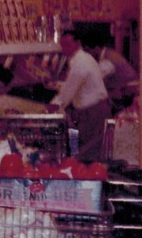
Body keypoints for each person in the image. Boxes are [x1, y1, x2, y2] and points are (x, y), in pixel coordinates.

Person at [47, 30, 111, 162]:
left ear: (77, 44)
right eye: (62, 45)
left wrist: (53, 107)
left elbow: (68, 91)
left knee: (88, 153)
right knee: (90, 150)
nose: (64, 48)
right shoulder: (82, 59)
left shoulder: (80, 63)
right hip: (93, 110)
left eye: (67, 44)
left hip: (93, 112)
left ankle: (89, 177)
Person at [81, 31, 139, 113]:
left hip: (128, 96)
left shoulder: (108, 60)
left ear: (96, 48)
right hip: (125, 94)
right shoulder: (108, 54)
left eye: (88, 51)